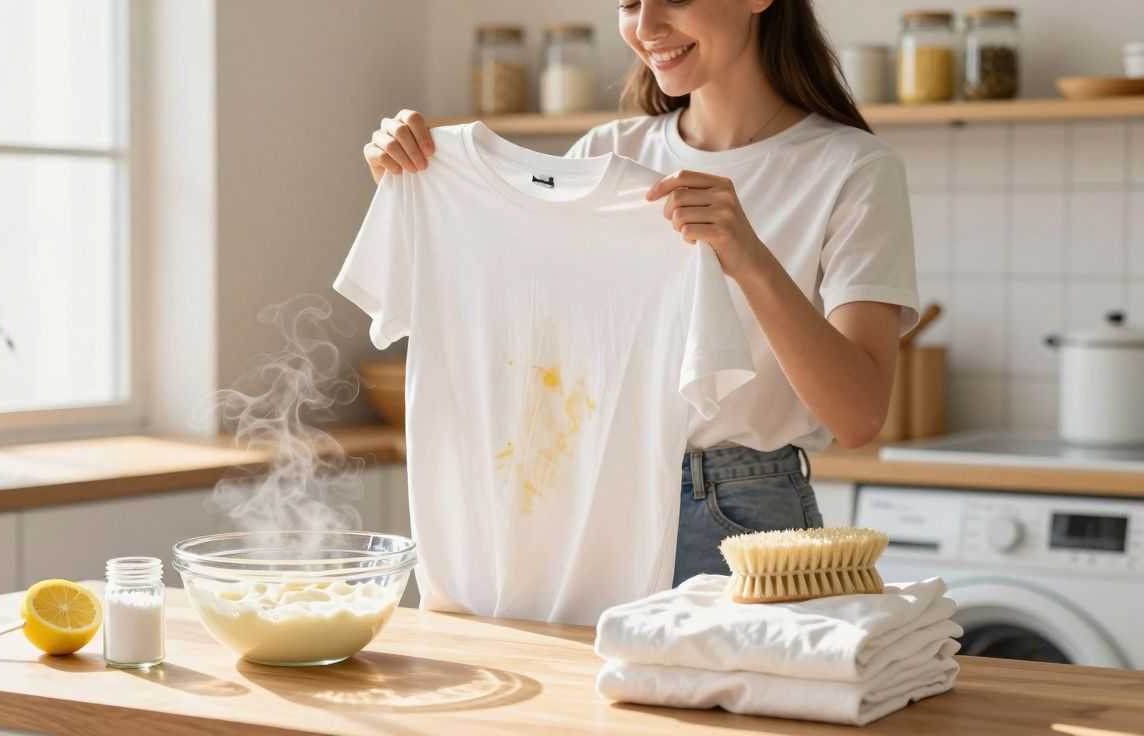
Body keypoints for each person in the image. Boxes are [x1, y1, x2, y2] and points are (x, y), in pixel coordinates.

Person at [360, 0, 918, 584]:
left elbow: (857, 418)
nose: (646, 28)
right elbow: (525, 338)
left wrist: (749, 257)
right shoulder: (604, 157)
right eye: (629, 3)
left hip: (738, 518)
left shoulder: (855, 168)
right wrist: (415, 195)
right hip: (589, 498)